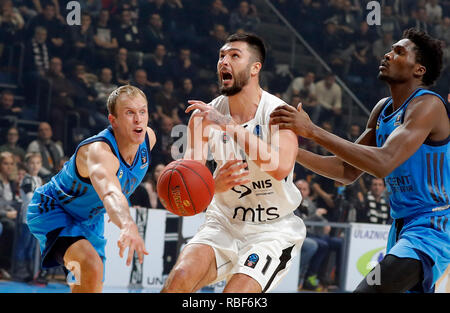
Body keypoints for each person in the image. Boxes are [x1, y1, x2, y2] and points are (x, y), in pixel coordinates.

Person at [270, 28, 449, 293]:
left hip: (434, 225)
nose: (388, 54)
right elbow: (345, 170)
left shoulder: (427, 106)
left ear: (419, 70)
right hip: (402, 226)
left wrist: (312, 131)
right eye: (390, 49)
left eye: (399, 52)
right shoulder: (382, 109)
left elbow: (383, 162)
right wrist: (291, 152)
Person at [162, 33, 305, 293]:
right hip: (223, 222)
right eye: (221, 56)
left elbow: (280, 166)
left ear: (255, 68)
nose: (224, 61)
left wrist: (228, 125)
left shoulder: (280, 114)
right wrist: (212, 185)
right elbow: (192, 185)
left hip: (271, 230)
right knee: (179, 279)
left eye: (234, 56)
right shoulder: (202, 118)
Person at [26, 85, 156, 292]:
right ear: (113, 120)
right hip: (54, 209)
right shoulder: (99, 151)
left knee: (90, 284)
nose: (138, 119)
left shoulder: (148, 139)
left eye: (142, 111)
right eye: (129, 113)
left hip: (90, 219)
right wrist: (127, 224)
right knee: (91, 266)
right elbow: (110, 192)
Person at [13, 153, 43, 282]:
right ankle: (19, 271)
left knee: (31, 247)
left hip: (36, 220)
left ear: (41, 165)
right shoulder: (26, 179)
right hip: (27, 219)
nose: (34, 166)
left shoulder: (39, 180)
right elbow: (31, 198)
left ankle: (31, 271)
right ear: (26, 165)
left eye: (37, 163)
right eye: (32, 163)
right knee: (23, 245)